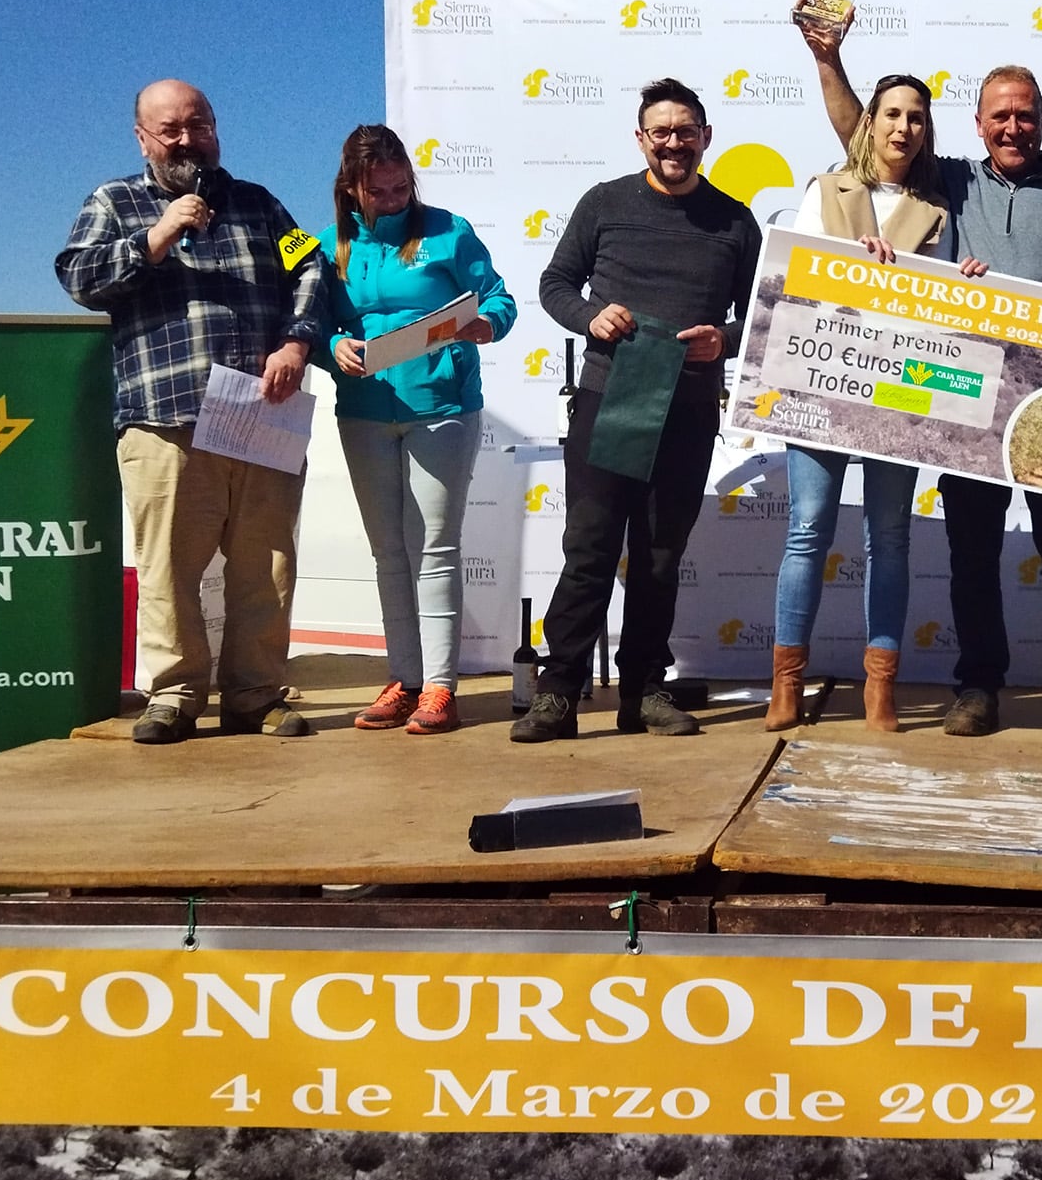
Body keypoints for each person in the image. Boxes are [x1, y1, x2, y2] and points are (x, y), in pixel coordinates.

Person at [801, 0, 1042, 739]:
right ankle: (978, 687)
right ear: (979, 125)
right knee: (972, 553)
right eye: (1000, 115)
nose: (1013, 126)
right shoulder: (950, 179)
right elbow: (862, 134)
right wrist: (828, 56)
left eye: (1025, 115)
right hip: (969, 391)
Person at [56, 79, 330, 743]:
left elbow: (313, 269)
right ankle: (174, 696)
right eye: (170, 128)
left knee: (265, 565)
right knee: (168, 567)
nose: (187, 139)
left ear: (216, 127)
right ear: (142, 137)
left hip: (261, 412)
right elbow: (78, 276)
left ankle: (255, 695)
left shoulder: (259, 205)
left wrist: (297, 341)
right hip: (166, 416)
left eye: (198, 124)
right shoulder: (114, 200)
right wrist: (157, 235)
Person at [513, 79, 762, 743]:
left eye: (686, 131)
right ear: (641, 138)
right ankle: (558, 693)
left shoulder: (735, 220)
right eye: (662, 132)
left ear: (705, 137)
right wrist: (592, 316)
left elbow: (764, 314)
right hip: (610, 399)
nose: (674, 143)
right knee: (590, 551)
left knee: (657, 556)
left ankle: (645, 690)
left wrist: (725, 341)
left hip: (688, 409)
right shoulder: (605, 203)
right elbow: (554, 285)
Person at [766, 73, 953, 735]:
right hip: (822, 379)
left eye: (917, 118)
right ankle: (785, 683)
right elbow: (799, 279)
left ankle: (882, 688)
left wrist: (964, 283)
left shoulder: (938, 212)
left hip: (899, 391)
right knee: (808, 527)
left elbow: (944, 318)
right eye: (893, 114)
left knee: (890, 536)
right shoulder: (824, 188)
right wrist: (851, 262)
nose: (904, 127)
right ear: (870, 122)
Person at [318, 125, 516, 734]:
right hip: (365, 411)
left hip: (442, 407)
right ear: (352, 190)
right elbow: (307, 319)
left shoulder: (448, 231)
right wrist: (332, 345)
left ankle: (439, 688)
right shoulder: (325, 245)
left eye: (402, 185)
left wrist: (485, 323)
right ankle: (403, 679)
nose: (395, 197)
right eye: (379, 191)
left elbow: (499, 298)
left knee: (434, 548)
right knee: (388, 553)